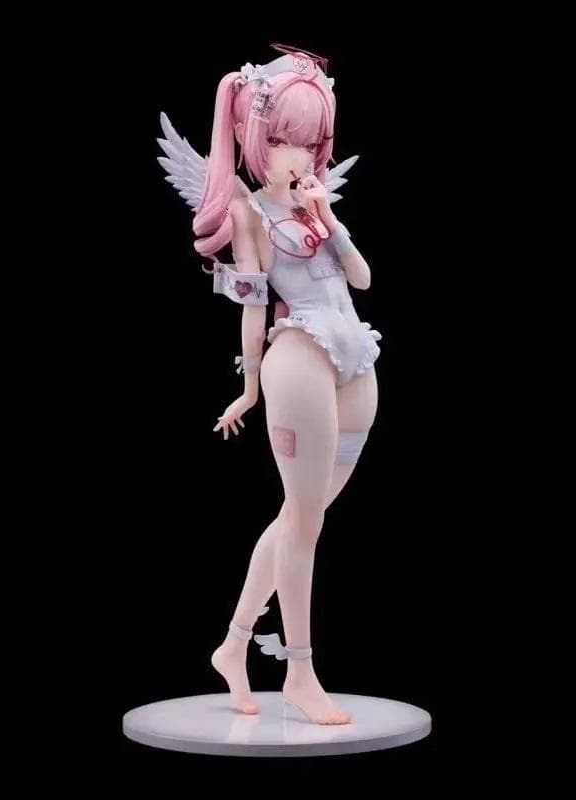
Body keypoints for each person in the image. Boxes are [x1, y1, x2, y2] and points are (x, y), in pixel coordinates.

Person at [157, 44, 380, 724]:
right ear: (254, 137)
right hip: (298, 360)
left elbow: (363, 279)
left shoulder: (316, 209)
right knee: (304, 524)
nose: (298, 155)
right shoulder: (250, 212)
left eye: (310, 142)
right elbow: (253, 305)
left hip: (355, 358)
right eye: (283, 139)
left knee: (298, 519)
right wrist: (249, 387)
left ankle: (232, 646)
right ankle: (299, 671)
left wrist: (329, 220)